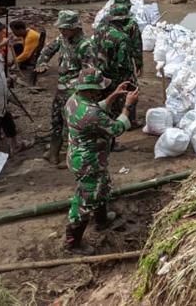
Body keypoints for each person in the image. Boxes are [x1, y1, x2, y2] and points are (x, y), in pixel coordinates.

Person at [63, 67, 138, 254]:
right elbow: (117, 129)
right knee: (85, 201)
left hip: (83, 157)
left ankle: (102, 220)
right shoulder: (91, 114)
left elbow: (95, 109)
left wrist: (113, 95)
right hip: (89, 163)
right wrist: (127, 106)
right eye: (98, 90)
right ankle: (72, 242)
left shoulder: (74, 101)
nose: (100, 92)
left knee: (102, 186)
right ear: (90, 90)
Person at [36, 11, 94, 166]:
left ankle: (71, 156)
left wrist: (79, 90)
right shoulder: (62, 39)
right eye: (60, 28)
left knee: (71, 124)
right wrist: (42, 62)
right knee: (56, 120)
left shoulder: (85, 46)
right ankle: (53, 152)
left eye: (64, 28)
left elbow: (89, 72)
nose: (61, 31)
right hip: (61, 88)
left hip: (75, 91)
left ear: (74, 28)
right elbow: (47, 50)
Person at [96, 4, 140, 144]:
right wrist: (130, 80)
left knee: (104, 105)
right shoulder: (122, 38)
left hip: (102, 76)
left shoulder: (100, 31)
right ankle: (112, 142)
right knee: (117, 108)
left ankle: (101, 135)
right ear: (123, 20)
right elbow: (124, 64)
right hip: (117, 78)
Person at [0, 21, 20, 154]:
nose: (3, 36)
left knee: (6, 118)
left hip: (0, 97)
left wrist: (7, 79)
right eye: (1, 33)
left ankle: (15, 145)